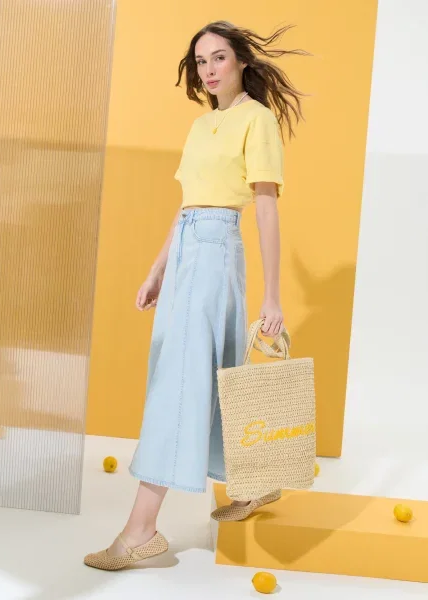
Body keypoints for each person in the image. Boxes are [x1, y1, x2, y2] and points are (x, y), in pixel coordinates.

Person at [84, 19, 308, 571]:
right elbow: (186, 205)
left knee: (179, 381)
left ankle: (141, 531)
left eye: (219, 58)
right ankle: (253, 482)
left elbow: (265, 207)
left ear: (242, 62)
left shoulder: (257, 120)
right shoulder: (201, 125)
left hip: (216, 250)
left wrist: (273, 296)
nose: (208, 70)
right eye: (201, 61)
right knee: (210, 370)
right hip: (188, 249)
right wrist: (157, 269)